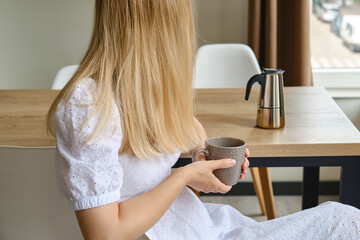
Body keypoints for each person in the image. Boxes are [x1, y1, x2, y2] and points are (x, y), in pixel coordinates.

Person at [47, 0, 360, 239]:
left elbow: (188, 125)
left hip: (196, 225)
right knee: (339, 220)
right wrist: (183, 176)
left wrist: (200, 153)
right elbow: (105, 233)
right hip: (171, 232)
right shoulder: (87, 105)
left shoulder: (142, 87)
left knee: (340, 218)